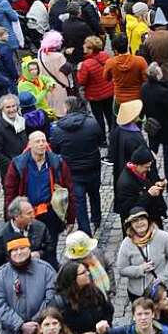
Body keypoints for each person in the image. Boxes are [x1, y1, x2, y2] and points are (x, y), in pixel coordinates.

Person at [3, 130, 76, 251]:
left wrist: (71, 218)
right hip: (27, 214)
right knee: (29, 248)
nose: (42, 144)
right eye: (37, 141)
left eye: (44, 141)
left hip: (50, 213)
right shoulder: (18, 164)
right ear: (30, 144)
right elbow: (10, 192)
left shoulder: (57, 162)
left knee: (50, 248)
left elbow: (69, 190)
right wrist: (10, 217)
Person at [50, 97, 103, 236]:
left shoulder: (57, 129)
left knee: (78, 202)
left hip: (72, 171)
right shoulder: (92, 123)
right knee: (94, 193)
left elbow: (55, 149)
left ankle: (85, 232)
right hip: (92, 167)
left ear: (67, 108)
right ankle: (97, 218)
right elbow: (100, 140)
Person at [116, 205, 168, 303]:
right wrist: (140, 269)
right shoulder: (127, 243)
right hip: (138, 294)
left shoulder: (162, 236)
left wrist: (164, 276)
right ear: (131, 224)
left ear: (148, 220)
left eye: (142, 219)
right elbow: (121, 269)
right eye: (135, 221)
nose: (139, 223)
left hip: (162, 291)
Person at [0, 196, 53, 275]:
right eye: (29, 213)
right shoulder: (0, 235)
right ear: (17, 217)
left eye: (33, 211)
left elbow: (50, 248)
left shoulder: (40, 227)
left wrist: (39, 254)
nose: (33, 216)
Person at [114, 148, 167, 227]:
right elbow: (130, 209)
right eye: (146, 167)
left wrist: (158, 183)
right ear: (136, 165)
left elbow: (152, 182)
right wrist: (149, 194)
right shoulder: (125, 183)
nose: (149, 169)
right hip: (140, 226)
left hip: (153, 218)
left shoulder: (143, 170)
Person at [76, 36, 114, 145]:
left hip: (95, 95)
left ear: (90, 49)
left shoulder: (86, 64)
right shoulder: (105, 56)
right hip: (109, 91)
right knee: (110, 115)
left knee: (99, 119)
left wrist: (79, 70)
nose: (83, 47)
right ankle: (113, 137)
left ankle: (102, 140)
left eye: (85, 45)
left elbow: (82, 81)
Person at [0, 95, 29, 179]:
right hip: (11, 172)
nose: (11, 110)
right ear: (1, 109)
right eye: (8, 107)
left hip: (26, 166)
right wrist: (13, 165)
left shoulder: (21, 120)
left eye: (13, 106)